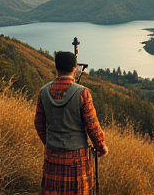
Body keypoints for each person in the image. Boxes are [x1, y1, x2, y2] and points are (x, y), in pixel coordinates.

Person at [34, 51, 108, 195]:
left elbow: (38, 123)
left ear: (57, 67)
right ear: (75, 68)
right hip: (77, 158)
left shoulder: (43, 92)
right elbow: (92, 126)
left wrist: (49, 142)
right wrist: (101, 147)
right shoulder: (82, 93)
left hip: (52, 154)